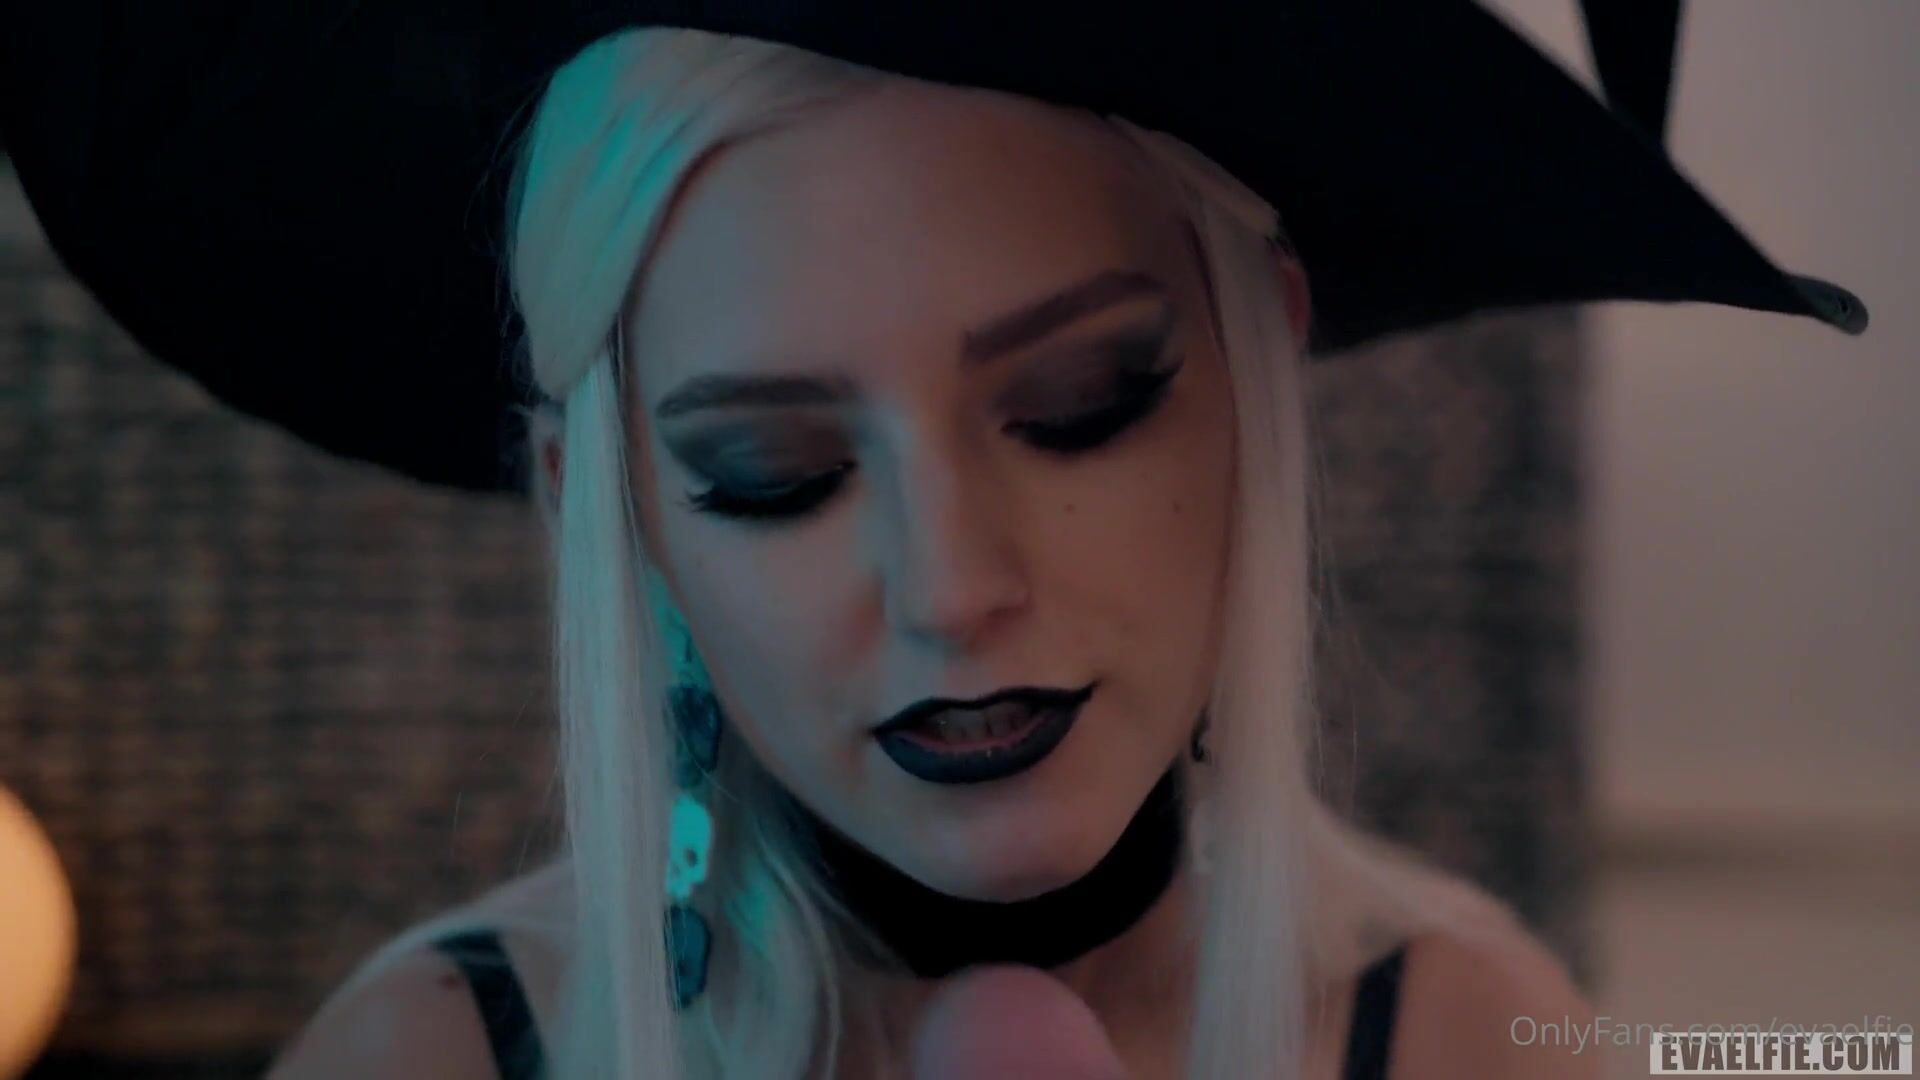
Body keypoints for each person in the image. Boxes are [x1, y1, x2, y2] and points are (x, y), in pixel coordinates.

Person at [261, 27, 1598, 1080]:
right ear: (603, 511)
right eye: (777, 476)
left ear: (1259, 378)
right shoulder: (426, 1054)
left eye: (1079, 407)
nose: (953, 591)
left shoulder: (1477, 1042)